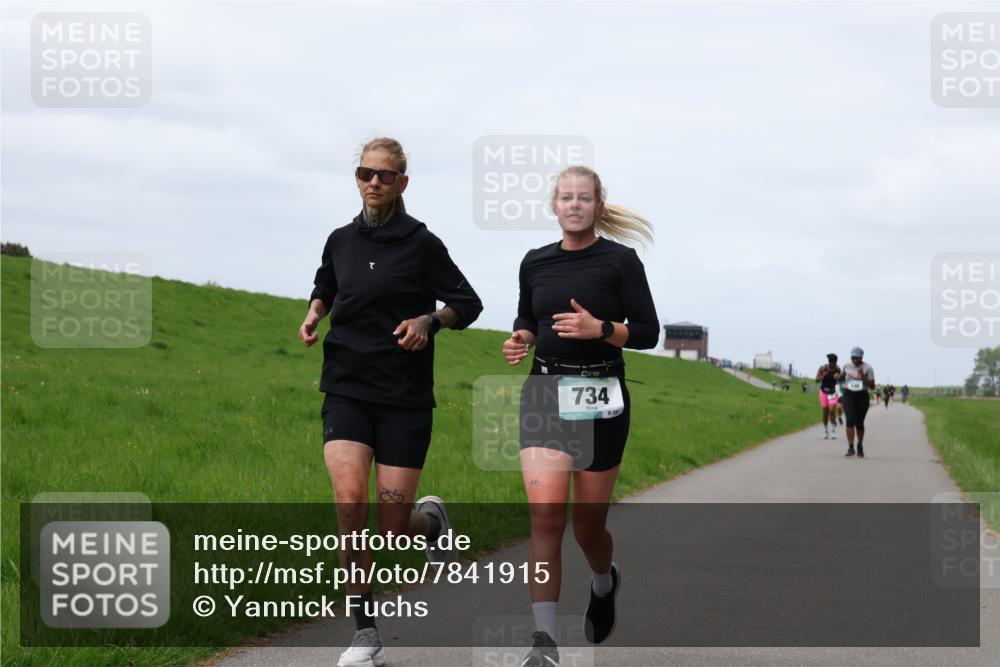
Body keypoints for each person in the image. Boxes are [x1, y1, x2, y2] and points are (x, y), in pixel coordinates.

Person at [300, 137, 483, 667]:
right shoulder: (339, 239)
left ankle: (431, 524)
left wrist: (430, 321)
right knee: (350, 505)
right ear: (356, 179)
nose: (373, 183)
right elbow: (326, 285)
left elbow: (467, 302)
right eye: (364, 174)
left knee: (390, 524)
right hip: (346, 389)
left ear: (402, 183)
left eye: (384, 176)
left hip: (404, 398)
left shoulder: (422, 243)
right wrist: (315, 313)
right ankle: (364, 633)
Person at [502, 165, 659, 666]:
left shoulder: (621, 261)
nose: (574, 205)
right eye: (566, 197)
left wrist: (601, 328)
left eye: (584, 198)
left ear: (598, 205)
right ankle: (544, 643)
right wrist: (521, 338)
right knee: (546, 516)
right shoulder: (534, 262)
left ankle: (603, 579)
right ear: (554, 205)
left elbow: (649, 332)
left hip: (601, 396)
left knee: (587, 527)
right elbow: (528, 316)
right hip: (545, 391)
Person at [839, 347, 875, 458]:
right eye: (852, 357)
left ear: (861, 357)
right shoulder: (846, 366)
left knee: (859, 423)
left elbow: (872, 386)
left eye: (856, 357)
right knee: (849, 421)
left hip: (862, 396)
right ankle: (851, 447)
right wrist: (839, 377)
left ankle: (859, 445)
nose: (854, 359)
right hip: (849, 395)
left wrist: (863, 376)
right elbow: (841, 378)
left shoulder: (868, 368)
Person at [815, 353, 841, 439]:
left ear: (836, 362)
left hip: (833, 392)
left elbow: (841, 379)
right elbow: (816, 380)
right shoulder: (823, 368)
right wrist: (822, 376)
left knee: (832, 410)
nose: (832, 365)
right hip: (823, 392)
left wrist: (838, 377)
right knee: (825, 413)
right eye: (830, 363)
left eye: (833, 363)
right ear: (828, 362)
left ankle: (833, 430)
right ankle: (826, 430)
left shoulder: (838, 369)